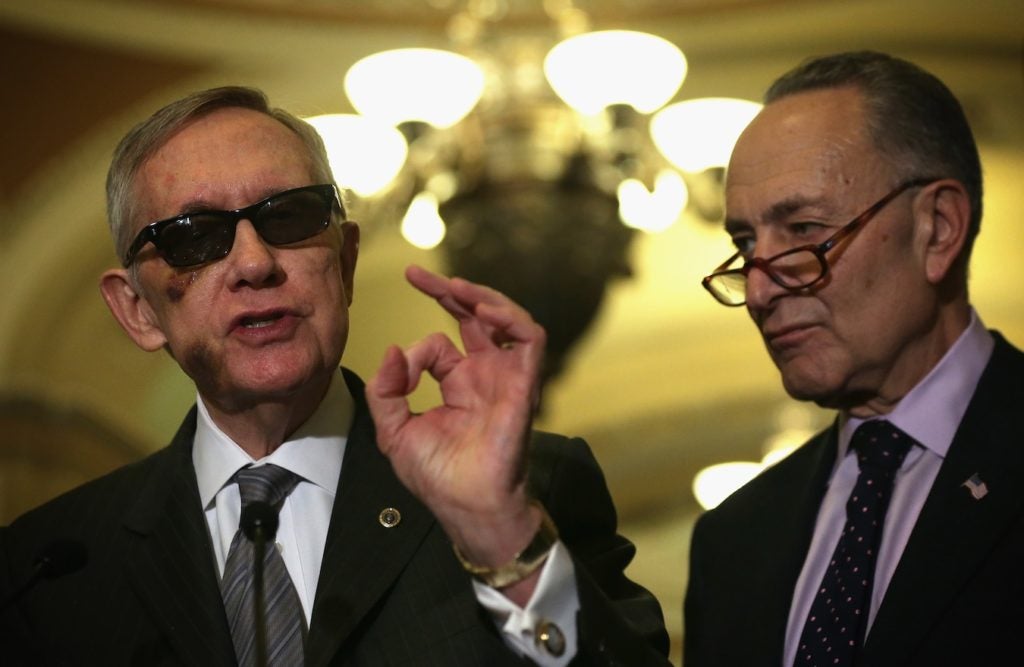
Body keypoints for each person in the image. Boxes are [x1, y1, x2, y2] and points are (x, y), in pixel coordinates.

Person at [0, 86, 670, 666]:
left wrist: (504, 540)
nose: (255, 262)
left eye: (287, 217)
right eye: (195, 235)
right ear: (137, 309)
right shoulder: (51, 564)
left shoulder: (527, 490)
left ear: (345, 262)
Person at [683, 49, 1024, 666]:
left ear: (939, 228)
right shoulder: (732, 540)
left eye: (806, 230)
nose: (758, 290)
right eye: (743, 243)